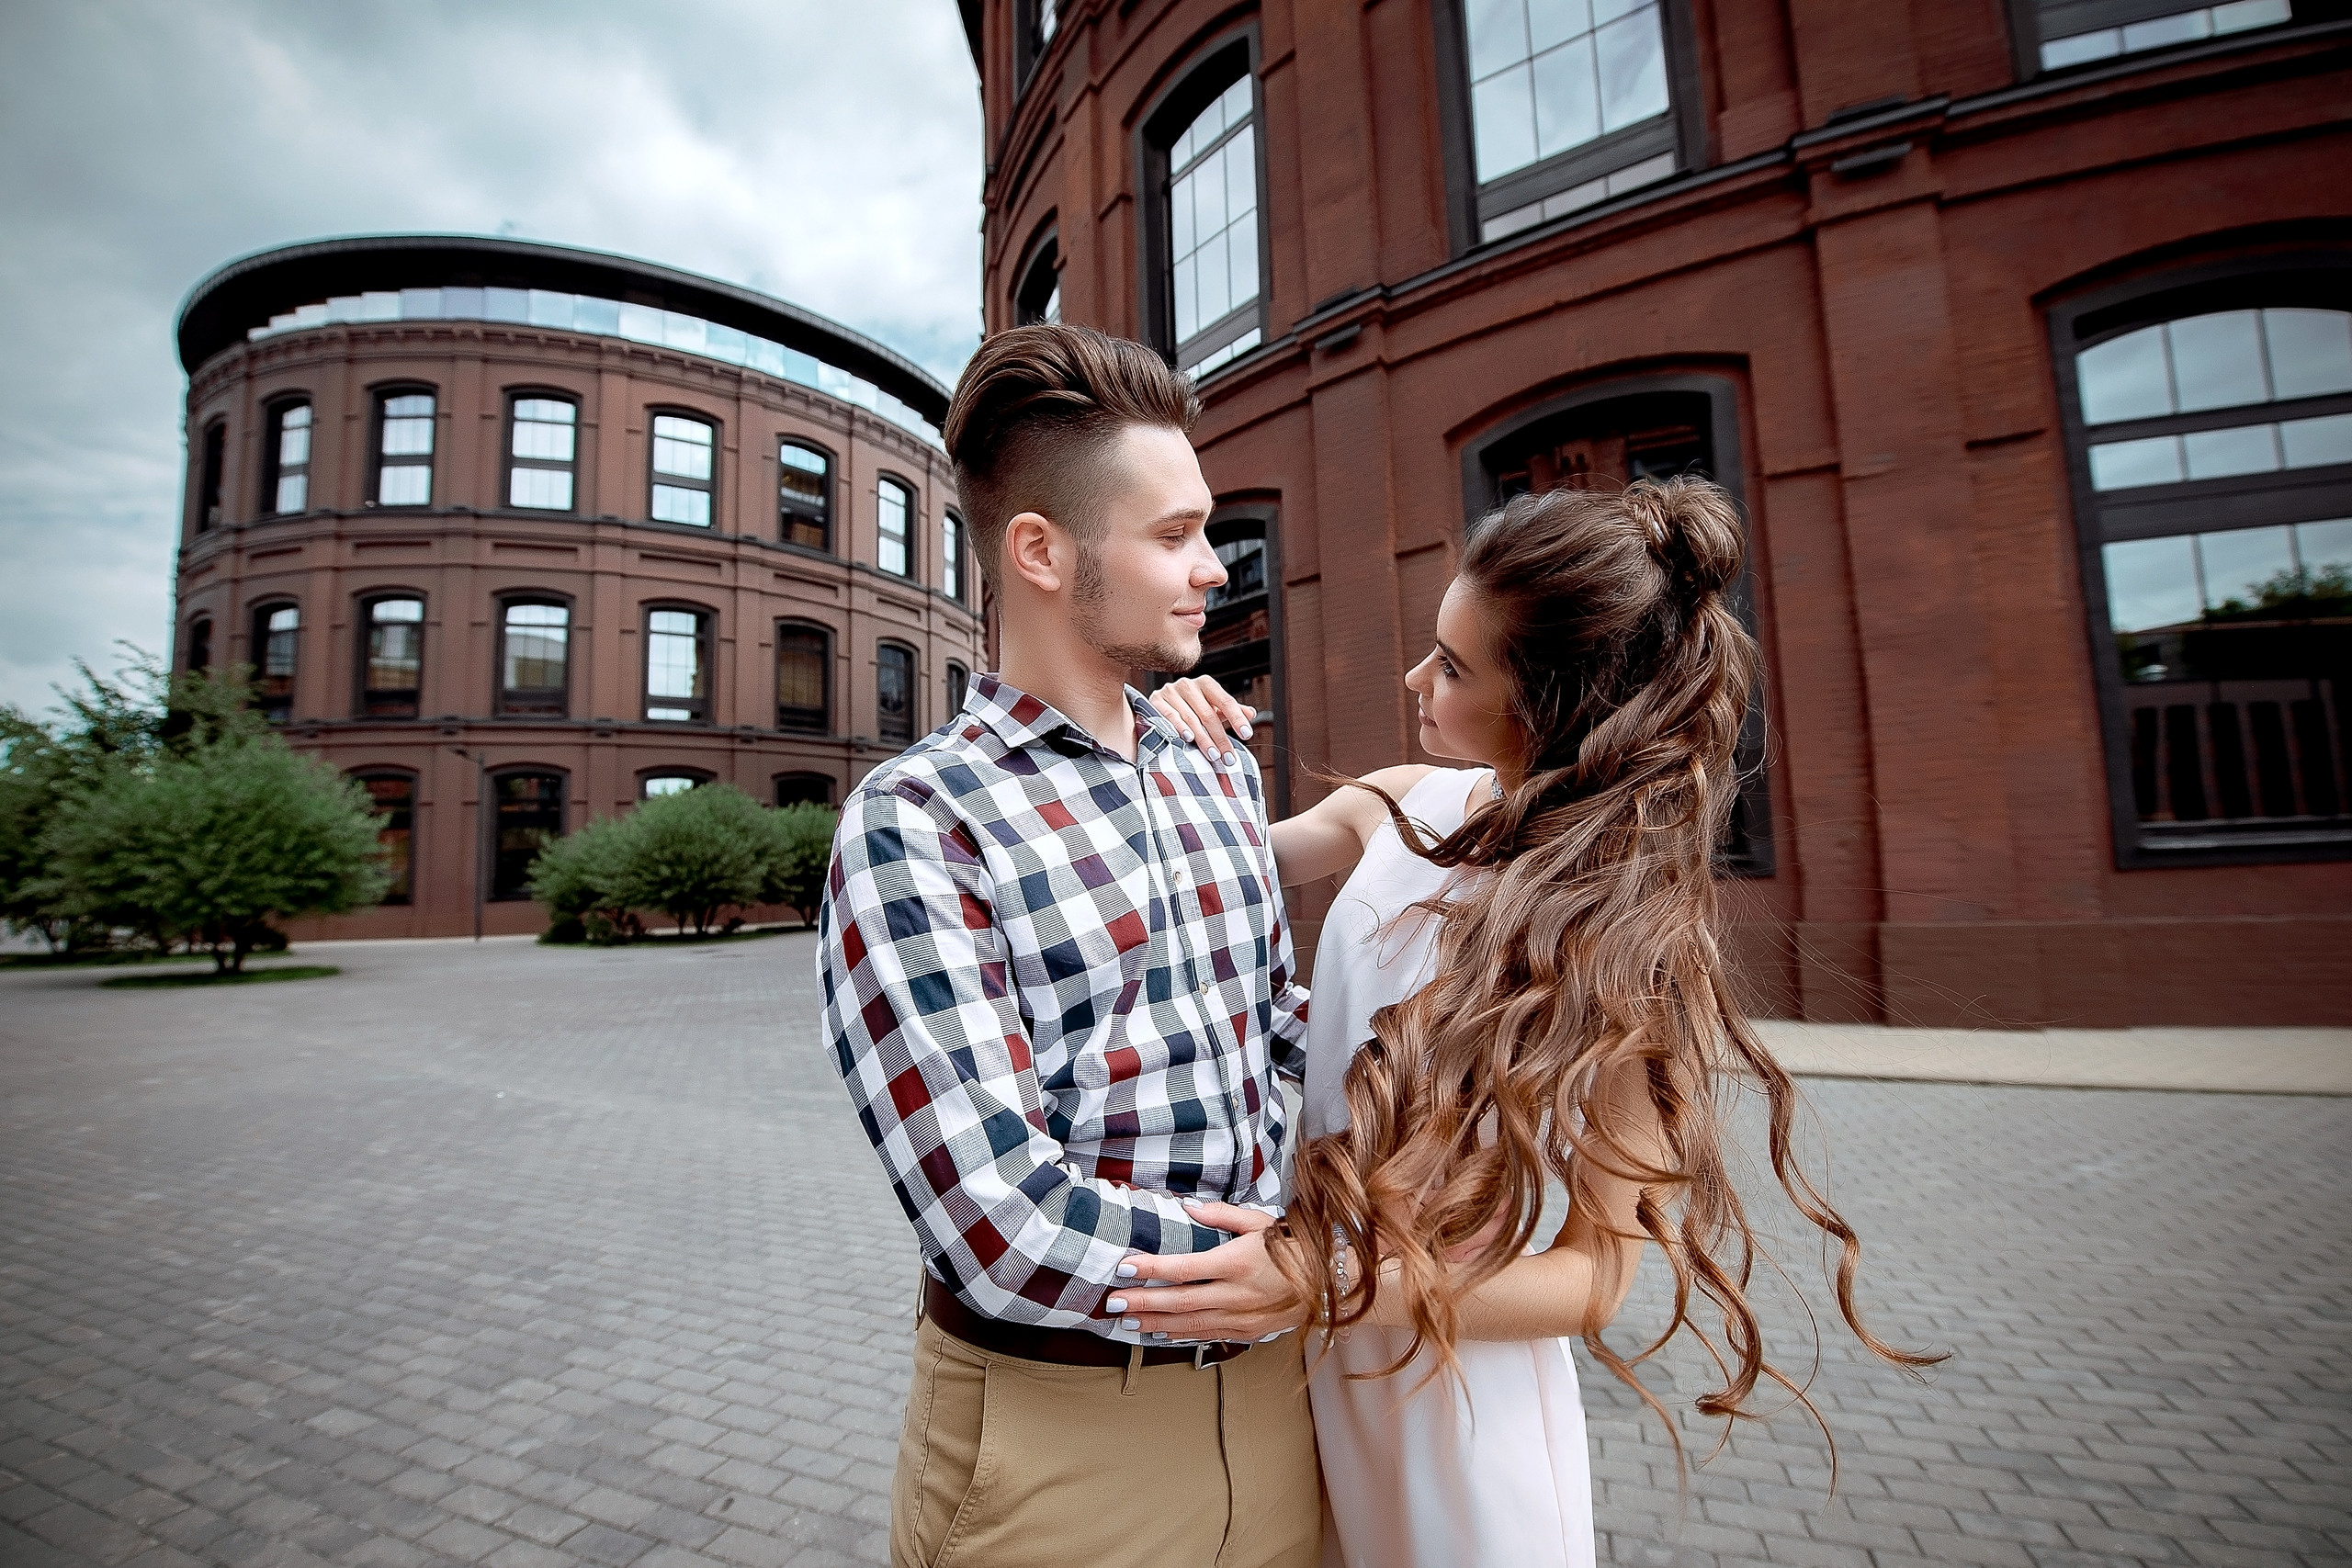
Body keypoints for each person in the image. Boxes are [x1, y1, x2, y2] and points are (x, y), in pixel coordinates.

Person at [1132, 477, 1939, 1567]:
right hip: (1306, 1375)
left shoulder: (1617, 940)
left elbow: (1595, 1280)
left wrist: (1336, 1278)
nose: (1416, 679)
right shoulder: (1408, 801)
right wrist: (1170, 727)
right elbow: (1228, 854)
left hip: (1457, 1414)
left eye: (1455, 667)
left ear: (1546, 707)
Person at [817, 322, 1320, 1568]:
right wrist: (1295, 1261)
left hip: (1287, 1410)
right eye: (1173, 535)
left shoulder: (1212, 771)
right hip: (1056, 1448)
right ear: (1039, 550)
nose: (1214, 567)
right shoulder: (919, 821)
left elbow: (1280, 1030)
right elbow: (999, 1217)